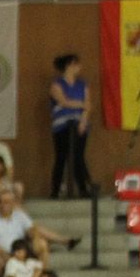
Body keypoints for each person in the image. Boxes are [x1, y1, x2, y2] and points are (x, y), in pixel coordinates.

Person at [49, 54, 92, 199]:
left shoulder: (82, 84)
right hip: (62, 126)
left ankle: (83, 188)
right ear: (69, 65)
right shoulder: (56, 84)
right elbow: (63, 101)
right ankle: (56, 190)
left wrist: (83, 121)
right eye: (76, 64)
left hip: (79, 124)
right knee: (61, 156)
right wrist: (81, 104)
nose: (79, 67)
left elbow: (88, 105)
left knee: (78, 156)